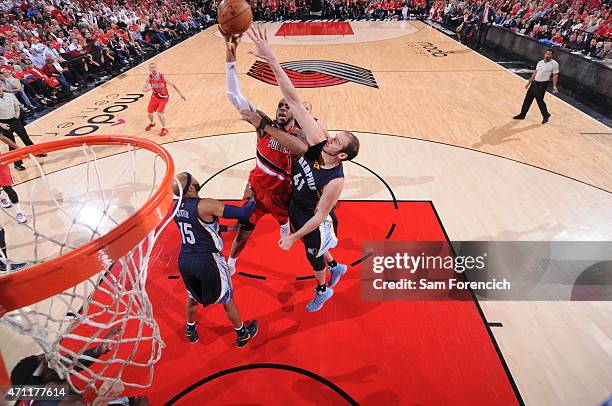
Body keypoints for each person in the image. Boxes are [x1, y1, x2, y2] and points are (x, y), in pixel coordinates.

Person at [245, 26, 360, 312]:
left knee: (312, 255)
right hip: (297, 207)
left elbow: (321, 215)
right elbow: (295, 100)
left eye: (336, 140)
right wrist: (271, 58)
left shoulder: (335, 181)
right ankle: (337, 266)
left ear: (342, 154)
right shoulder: (318, 143)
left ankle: (323, 289)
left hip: (313, 219)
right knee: (316, 249)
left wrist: (292, 237)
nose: (329, 136)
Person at [222, 32, 303, 276]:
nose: (282, 109)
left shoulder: (301, 135)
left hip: (284, 197)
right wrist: (231, 56)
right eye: (280, 105)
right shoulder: (263, 125)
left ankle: (284, 224)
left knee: (290, 224)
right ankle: (231, 262)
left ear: (295, 114)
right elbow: (234, 97)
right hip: (257, 191)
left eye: (287, 106)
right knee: (244, 231)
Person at [172, 172, 259, 347]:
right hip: (207, 261)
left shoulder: (175, 206)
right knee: (227, 298)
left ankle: (190, 330)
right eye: (193, 177)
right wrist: (253, 197)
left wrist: (229, 228)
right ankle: (243, 334)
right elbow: (243, 213)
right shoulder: (205, 204)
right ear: (190, 187)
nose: (197, 178)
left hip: (185, 260)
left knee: (191, 296)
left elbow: (201, 228)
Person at [8, 326, 149, 405]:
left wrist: (98, 350)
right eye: (48, 362)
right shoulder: (52, 400)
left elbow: (76, 362)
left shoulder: (48, 381)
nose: (54, 359)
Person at [0, 87, 46, 171]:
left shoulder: (10, 95)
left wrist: (17, 112)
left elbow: (16, 105)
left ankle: (36, 152)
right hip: (4, 122)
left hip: (15, 120)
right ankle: (17, 164)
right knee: (11, 144)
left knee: (25, 138)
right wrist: (1, 125)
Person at [513, 48, 559, 124]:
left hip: (542, 84)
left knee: (539, 101)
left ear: (552, 56)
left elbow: (555, 75)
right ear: (544, 54)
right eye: (546, 53)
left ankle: (545, 115)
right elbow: (535, 73)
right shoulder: (540, 62)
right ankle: (522, 114)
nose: (547, 55)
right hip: (534, 83)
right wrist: (529, 82)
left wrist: (554, 86)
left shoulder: (554, 64)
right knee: (527, 99)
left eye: (549, 54)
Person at [142, 62, 186, 136]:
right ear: (149, 69)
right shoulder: (149, 78)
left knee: (159, 114)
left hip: (164, 97)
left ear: (157, 68)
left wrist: (181, 95)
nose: (153, 69)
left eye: (154, 67)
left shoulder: (163, 77)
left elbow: (174, 85)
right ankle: (152, 123)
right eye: (151, 68)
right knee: (149, 113)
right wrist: (148, 89)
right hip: (154, 97)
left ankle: (164, 128)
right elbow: (143, 89)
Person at [0, 130, 27, 224]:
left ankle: (19, 211)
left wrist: (19, 149)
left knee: (8, 189)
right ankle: (2, 198)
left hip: (1, 165)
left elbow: (4, 138)